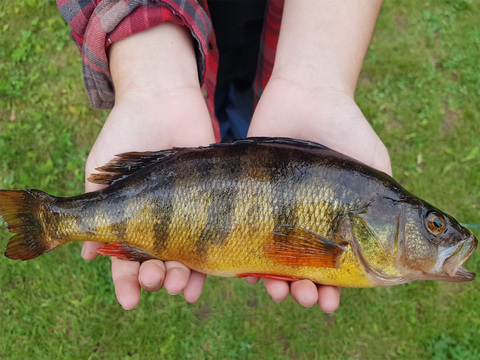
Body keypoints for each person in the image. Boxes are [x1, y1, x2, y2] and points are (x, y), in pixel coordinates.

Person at [57, 0, 391, 312]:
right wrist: (149, 76)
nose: (440, 236)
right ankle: (54, 219)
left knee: (242, 122)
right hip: (191, 32)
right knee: (224, 127)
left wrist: (317, 80)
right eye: (432, 226)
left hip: (286, 38)